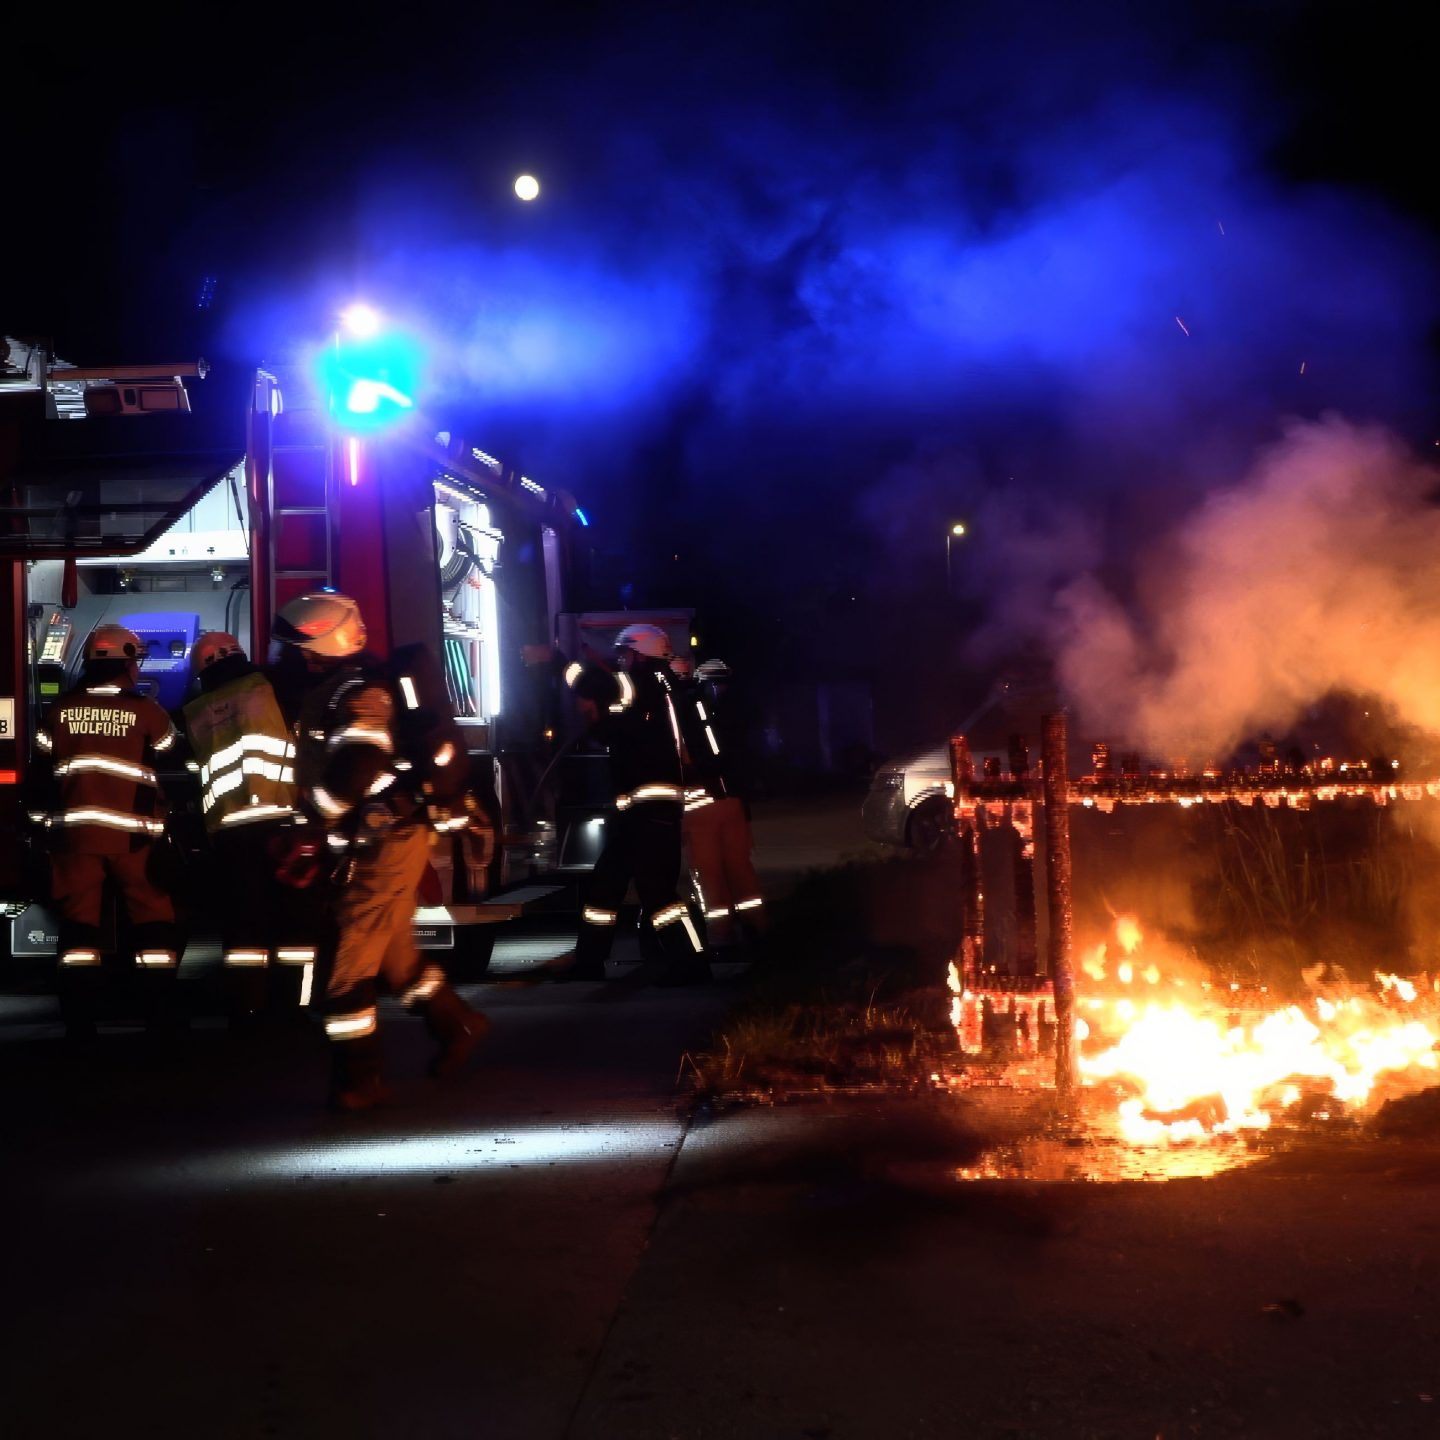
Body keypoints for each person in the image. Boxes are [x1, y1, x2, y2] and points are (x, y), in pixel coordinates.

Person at [273, 592, 489, 1111]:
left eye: (299, 647)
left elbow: (360, 764)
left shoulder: (360, 692)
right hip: (382, 838)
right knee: (397, 957)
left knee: (347, 967)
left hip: (385, 843)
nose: (291, 657)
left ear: (326, 641)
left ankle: (360, 1079)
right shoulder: (344, 688)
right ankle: (459, 1024)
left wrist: (315, 822)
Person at [28, 624, 181, 1037]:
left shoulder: (59, 710)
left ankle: (80, 1024)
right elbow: (174, 757)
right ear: (127, 664)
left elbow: (40, 774)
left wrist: (41, 829)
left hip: (75, 838)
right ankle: (160, 1018)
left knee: (79, 929)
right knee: (153, 920)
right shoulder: (146, 711)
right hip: (135, 839)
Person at [554, 623, 709, 984]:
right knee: (605, 885)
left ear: (641, 654)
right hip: (644, 813)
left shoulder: (641, 682)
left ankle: (692, 965)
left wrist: (560, 662)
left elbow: (596, 686)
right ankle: (589, 962)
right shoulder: (662, 687)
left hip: (648, 811)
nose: (621, 660)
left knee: (658, 894)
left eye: (625, 653)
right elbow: (617, 731)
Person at [180, 631, 318, 1021]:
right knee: (294, 921)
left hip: (229, 832)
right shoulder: (268, 686)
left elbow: (193, 769)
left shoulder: (194, 709)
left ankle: (246, 1008)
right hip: (283, 824)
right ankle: (293, 1009)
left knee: (244, 926)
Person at [676, 657, 767, 952]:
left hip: (699, 802)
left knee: (708, 873)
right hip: (734, 800)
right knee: (740, 867)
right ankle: (757, 929)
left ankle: (720, 935)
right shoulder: (735, 711)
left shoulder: (681, 709)